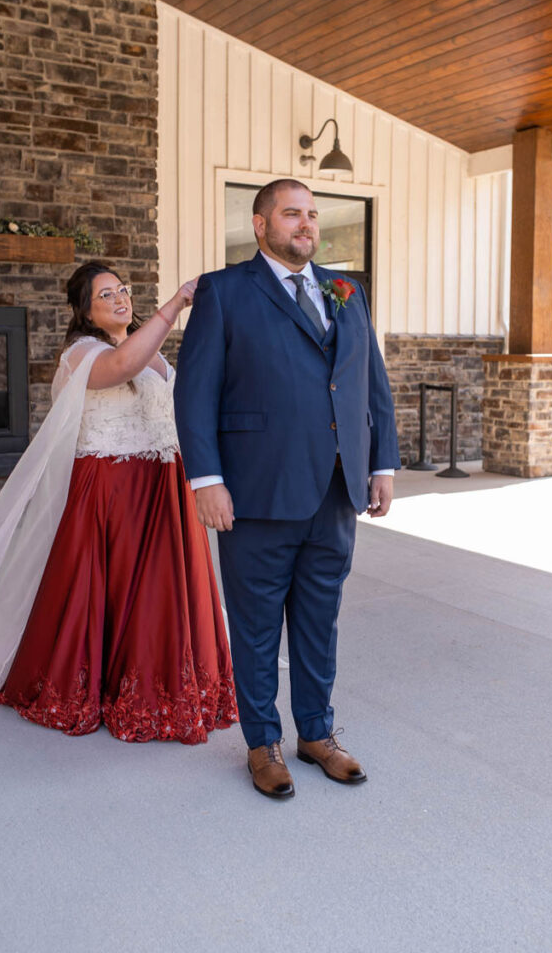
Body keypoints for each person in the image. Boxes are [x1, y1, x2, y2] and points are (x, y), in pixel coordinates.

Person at [174, 179, 400, 799]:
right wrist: (207, 480)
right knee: (253, 626)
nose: (305, 224)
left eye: (311, 214)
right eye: (291, 213)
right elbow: (193, 393)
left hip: (335, 488)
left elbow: (369, 384)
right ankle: (262, 743)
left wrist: (381, 464)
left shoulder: (347, 289)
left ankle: (317, 734)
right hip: (255, 490)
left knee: (319, 620)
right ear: (260, 224)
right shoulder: (224, 292)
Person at [0, 262, 237, 744]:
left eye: (123, 290)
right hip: (113, 491)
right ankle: (115, 688)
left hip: (162, 485)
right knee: (122, 590)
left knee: (163, 590)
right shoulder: (81, 353)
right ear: (84, 311)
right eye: (105, 294)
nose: (120, 298)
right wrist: (175, 304)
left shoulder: (154, 354)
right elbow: (122, 366)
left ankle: (171, 685)